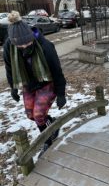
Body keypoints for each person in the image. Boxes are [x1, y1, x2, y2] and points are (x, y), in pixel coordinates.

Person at [3, 10, 66, 155]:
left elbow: (57, 71)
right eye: (21, 46)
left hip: (46, 82)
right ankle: (52, 124)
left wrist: (61, 94)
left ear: (31, 36)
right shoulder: (9, 47)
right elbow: (9, 68)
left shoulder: (45, 46)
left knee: (38, 115)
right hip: (29, 84)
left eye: (28, 43)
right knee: (31, 115)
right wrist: (13, 87)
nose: (25, 47)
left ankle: (47, 140)